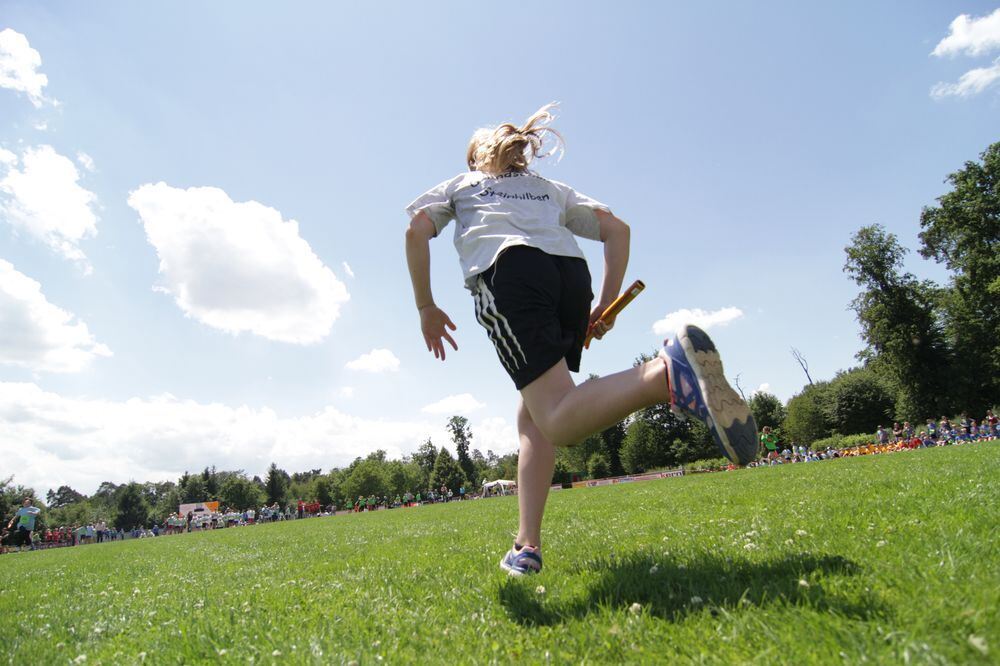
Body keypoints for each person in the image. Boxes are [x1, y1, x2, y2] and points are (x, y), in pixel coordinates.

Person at [404, 104, 757, 576]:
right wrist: (605, 305)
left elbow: (416, 230)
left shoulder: (461, 185)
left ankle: (664, 375)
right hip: (570, 276)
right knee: (533, 416)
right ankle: (526, 544)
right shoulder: (549, 189)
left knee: (558, 421)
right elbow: (617, 229)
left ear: (476, 161)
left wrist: (426, 306)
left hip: (510, 272)